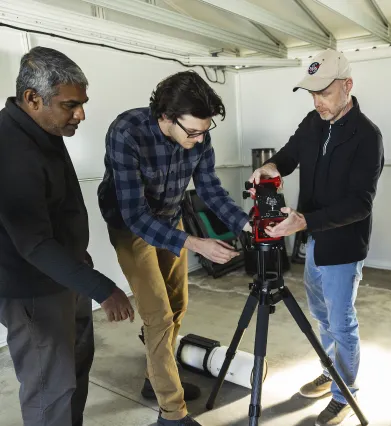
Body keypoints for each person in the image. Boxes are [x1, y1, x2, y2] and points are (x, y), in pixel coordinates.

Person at [97, 70, 251, 426]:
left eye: (205, 131)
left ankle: (156, 378)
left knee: (179, 303)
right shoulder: (127, 132)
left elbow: (211, 190)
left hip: (169, 218)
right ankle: (171, 413)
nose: (199, 140)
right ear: (165, 116)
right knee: (159, 315)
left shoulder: (198, 135)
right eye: (193, 132)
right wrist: (195, 243)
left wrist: (247, 223)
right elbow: (135, 215)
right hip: (131, 225)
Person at [0, 46, 135, 426]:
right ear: (32, 99)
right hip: (33, 290)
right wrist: (102, 288)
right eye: (70, 105)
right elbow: (33, 243)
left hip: (65, 275)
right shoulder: (11, 149)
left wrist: (81, 268)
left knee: (73, 370)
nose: (81, 114)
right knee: (49, 388)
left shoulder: (43, 128)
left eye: (83, 103)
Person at [249, 49, 384, 426]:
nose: (317, 101)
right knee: (322, 315)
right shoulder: (312, 122)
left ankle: (345, 394)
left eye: (324, 92)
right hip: (312, 242)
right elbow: (287, 157)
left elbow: (360, 204)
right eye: (312, 93)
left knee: (341, 322)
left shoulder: (367, 137)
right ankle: (330, 372)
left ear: (347, 86)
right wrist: (268, 168)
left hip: (342, 245)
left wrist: (304, 220)